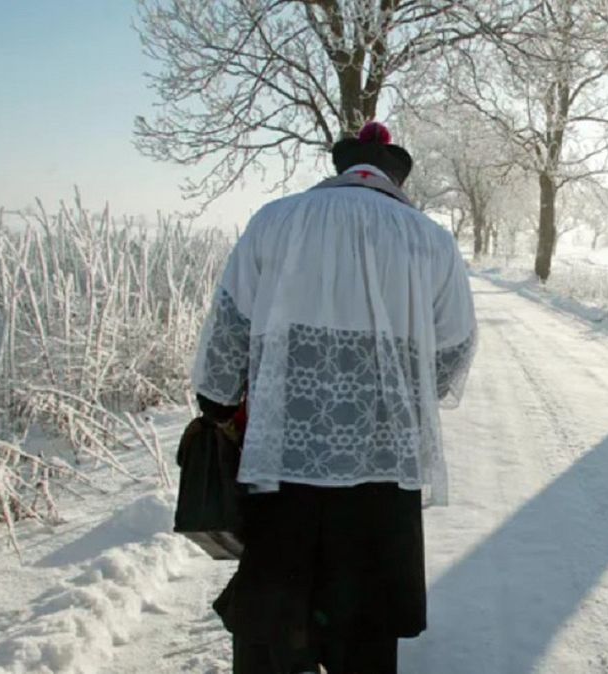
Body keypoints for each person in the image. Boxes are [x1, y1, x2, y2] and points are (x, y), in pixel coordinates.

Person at [191, 122, 477, 674]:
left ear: (344, 167)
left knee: (274, 622)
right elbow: (456, 347)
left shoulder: (275, 221)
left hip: (282, 459)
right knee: (366, 629)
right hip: (382, 466)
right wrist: (411, 394)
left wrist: (221, 405)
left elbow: (229, 327)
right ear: (394, 174)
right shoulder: (430, 240)